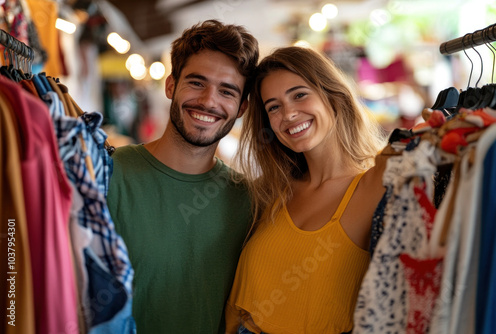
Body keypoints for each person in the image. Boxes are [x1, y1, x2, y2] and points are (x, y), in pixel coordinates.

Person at [106, 20, 259, 333]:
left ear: (242, 107)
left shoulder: (249, 202)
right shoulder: (107, 175)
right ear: (171, 85)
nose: (208, 101)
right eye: (197, 83)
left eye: (227, 91)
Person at [225, 46, 388, 334]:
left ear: (333, 96)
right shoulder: (270, 191)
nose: (288, 114)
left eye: (299, 95)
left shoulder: (376, 182)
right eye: (273, 107)